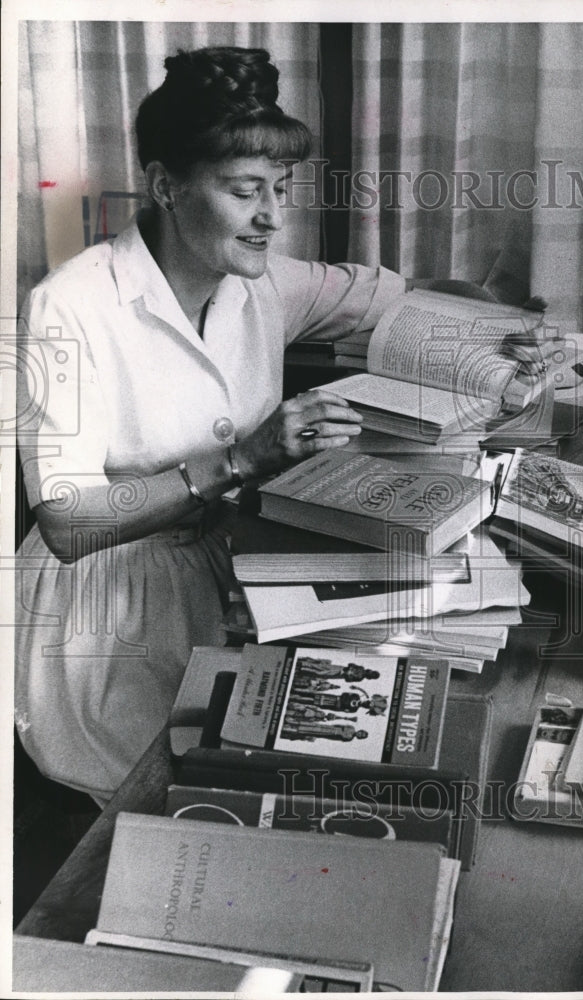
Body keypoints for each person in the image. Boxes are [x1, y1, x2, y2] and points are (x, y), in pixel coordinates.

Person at [14, 46, 407, 802]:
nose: (273, 217)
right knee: (178, 801)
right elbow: (66, 523)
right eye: (244, 191)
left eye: (280, 189)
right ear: (167, 186)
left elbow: (392, 297)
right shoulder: (71, 304)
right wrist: (241, 461)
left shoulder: (264, 283)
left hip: (232, 575)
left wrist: (508, 330)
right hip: (105, 619)